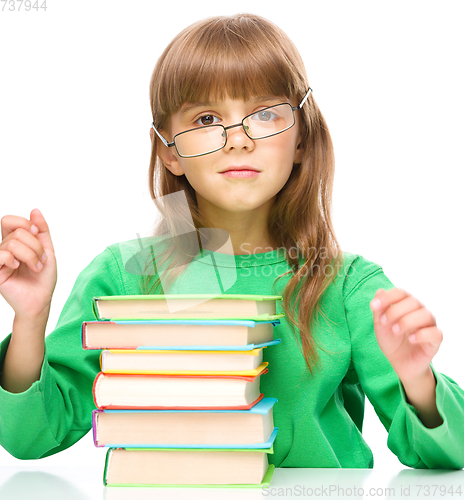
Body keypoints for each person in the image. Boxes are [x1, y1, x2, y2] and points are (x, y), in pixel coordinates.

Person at [0, 13, 463, 469]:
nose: (237, 140)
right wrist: (29, 318)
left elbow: (446, 454)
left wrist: (418, 380)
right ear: (169, 149)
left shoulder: (347, 285)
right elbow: (33, 436)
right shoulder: (124, 275)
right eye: (205, 118)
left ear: (300, 138)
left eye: (263, 114)